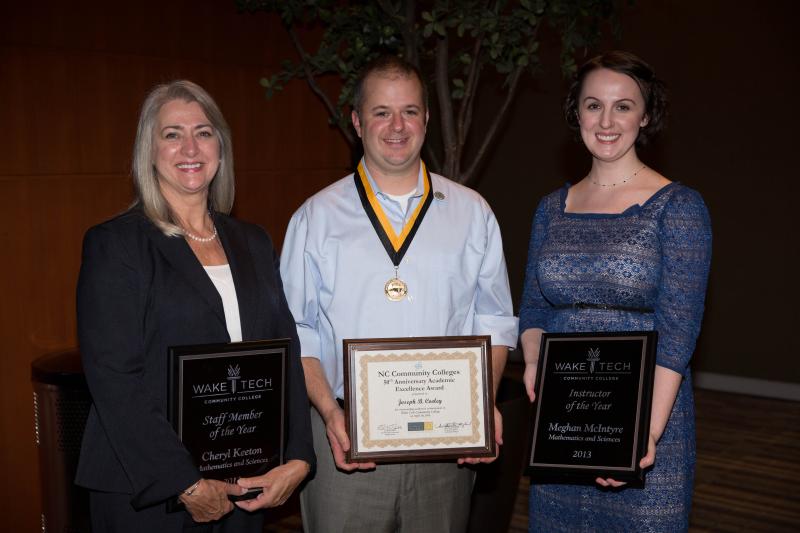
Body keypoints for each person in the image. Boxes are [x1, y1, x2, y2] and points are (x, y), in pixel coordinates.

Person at [279, 55, 518, 533]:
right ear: (356, 121)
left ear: (426, 119)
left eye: (409, 111)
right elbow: (295, 328)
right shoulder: (316, 217)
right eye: (381, 112)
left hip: (445, 447)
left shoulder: (472, 213)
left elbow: (493, 319)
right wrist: (329, 412)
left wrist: (482, 402)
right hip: (345, 441)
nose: (396, 126)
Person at [75, 80, 315, 532]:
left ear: (220, 148)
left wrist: (299, 455)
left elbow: (285, 354)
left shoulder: (254, 242)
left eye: (204, 132)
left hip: (244, 481)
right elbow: (114, 379)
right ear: (149, 151)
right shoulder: (117, 245)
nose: (190, 146)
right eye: (172, 134)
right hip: (147, 491)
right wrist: (183, 482)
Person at [519, 50, 712, 531]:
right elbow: (534, 306)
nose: (606, 121)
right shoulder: (550, 208)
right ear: (576, 113)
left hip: (648, 417)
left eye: (623, 106)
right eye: (593, 105)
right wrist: (535, 360)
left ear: (645, 115)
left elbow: (678, 330)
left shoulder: (679, 207)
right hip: (563, 421)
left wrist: (642, 431)